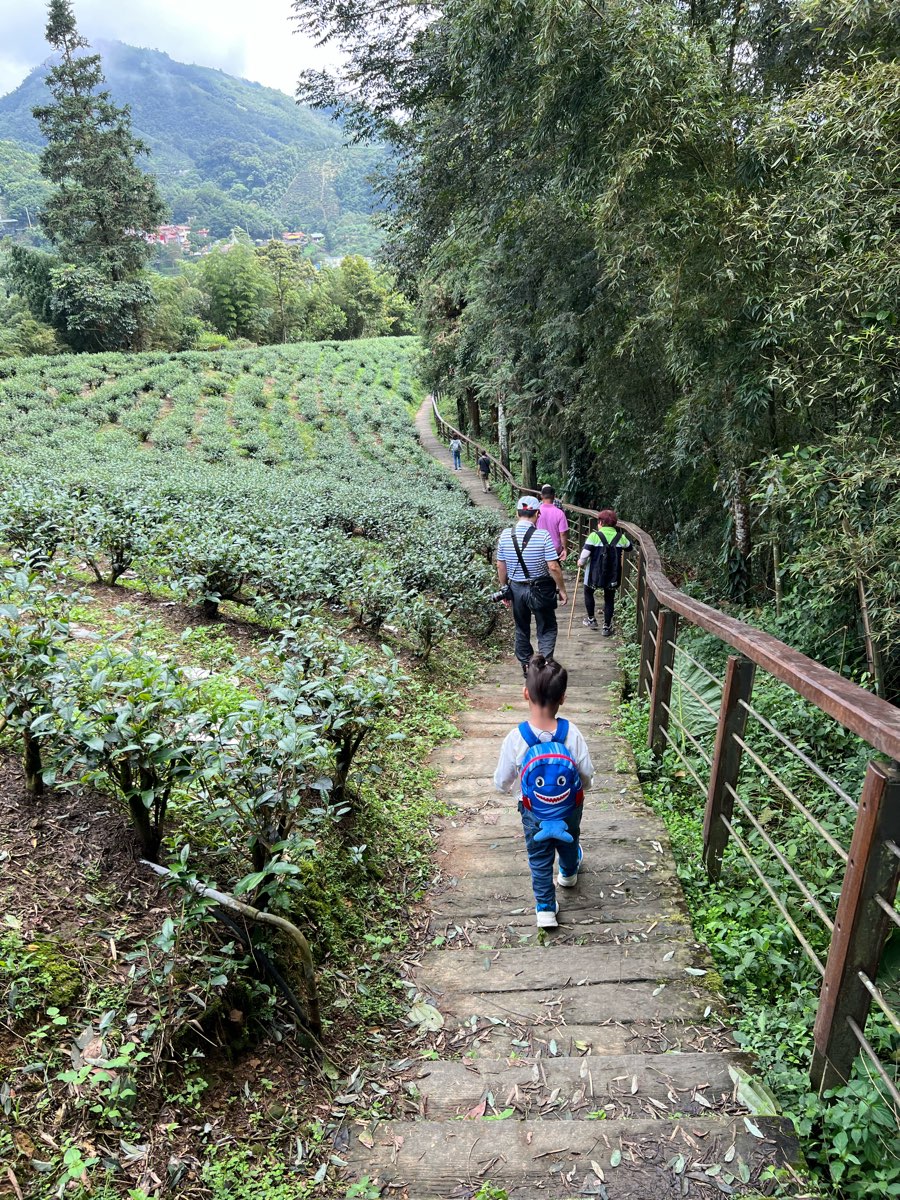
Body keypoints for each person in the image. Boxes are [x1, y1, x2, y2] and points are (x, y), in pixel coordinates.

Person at [494, 656, 594, 928]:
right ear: (563, 698)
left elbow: (502, 780)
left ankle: (546, 910)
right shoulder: (570, 732)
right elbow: (585, 771)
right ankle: (568, 875)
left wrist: (509, 791)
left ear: (525, 693)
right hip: (569, 806)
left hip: (532, 810)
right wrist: (582, 789)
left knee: (539, 857)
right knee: (570, 840)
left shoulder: (516, 738)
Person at [495, 495, 568, 675]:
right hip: (540, 589)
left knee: (521, 627)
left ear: (517, 513)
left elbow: (500, 565)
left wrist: (505, 589)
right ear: (537, 513)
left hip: (516, 588)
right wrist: (562, 590)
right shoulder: (542, 536)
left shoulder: (505, 535)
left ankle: (527, 664)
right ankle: (543, 664)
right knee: (547, 626)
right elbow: (553, 566)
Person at [577, 508, 630, 636]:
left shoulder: (594, 536)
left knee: (588, 591)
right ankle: (606, 627)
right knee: (609, 598)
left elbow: (585, 553)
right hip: (613, 574)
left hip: (594, 574)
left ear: (600, 522)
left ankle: (591, 619)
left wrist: (580, 562)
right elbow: (629, 547)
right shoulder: (620, 537)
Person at [536, 484, 568, 562]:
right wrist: (565, 549)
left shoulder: (536, 511)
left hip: (538, 547)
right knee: (555, 570)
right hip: (555, 549)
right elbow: (563, 533)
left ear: (541, 496)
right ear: (554, 496)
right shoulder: (560, 513)